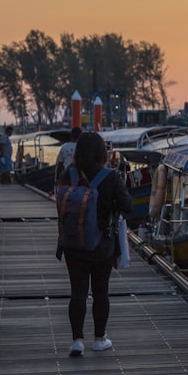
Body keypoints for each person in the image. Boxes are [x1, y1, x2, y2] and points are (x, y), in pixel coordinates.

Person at [57, 131, 134, 357]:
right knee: (101, 292)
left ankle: (77, 341)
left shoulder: (68, 174)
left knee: (77, 292)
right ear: (102, 152)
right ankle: (99, 339)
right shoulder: (110, 177)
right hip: (102, 244)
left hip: (72, 244)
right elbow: (128, 206)